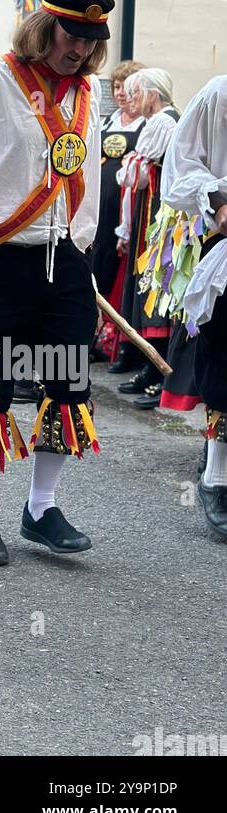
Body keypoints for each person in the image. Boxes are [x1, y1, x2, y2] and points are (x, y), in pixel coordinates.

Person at [0, 0, 111, 566]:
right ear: (44, 27)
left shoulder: (86, 94)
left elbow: (83, 181)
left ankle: (41, 508)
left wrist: (79, 247)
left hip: (62, 258)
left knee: (68, 382)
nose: (81, 49)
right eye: (72, 35)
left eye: (92, 40)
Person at [159, 74, 227, 537]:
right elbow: (180, 168)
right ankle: (216, 475)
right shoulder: (220, 94)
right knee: (225, 359)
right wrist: (219, 198)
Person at [114, 68, 178, 408]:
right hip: (150, 216)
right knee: (149, 288)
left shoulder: (164, 123)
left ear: (153, 95)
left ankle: (157, 371)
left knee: (158, 287)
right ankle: (149, 367)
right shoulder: (160, 123)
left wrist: (130, 164)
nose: (134, 101)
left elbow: (134, 175)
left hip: (159, 218)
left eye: (138, 94)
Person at [91, 59, 144, 370]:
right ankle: (97, 336)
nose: (121, 93)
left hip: (126, 212)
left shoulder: (148, 126)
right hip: (101, 208)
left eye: (126, 87)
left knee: (118, 274)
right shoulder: (109, 121)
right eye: (116, 87)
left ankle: (119, 341)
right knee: (98, 268)